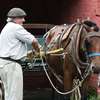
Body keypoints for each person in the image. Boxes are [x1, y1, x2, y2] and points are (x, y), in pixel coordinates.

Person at [0, 8, 40, 100]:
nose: (23, 20)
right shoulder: (16, 27)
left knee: (8, 94)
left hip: (3, 64)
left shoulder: (6, 28)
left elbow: (12, 48)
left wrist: (26, 53)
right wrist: (38, 51)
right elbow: (33, 41)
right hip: (12, 65)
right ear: (14, 18)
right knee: (15, 96)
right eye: (21, 18)